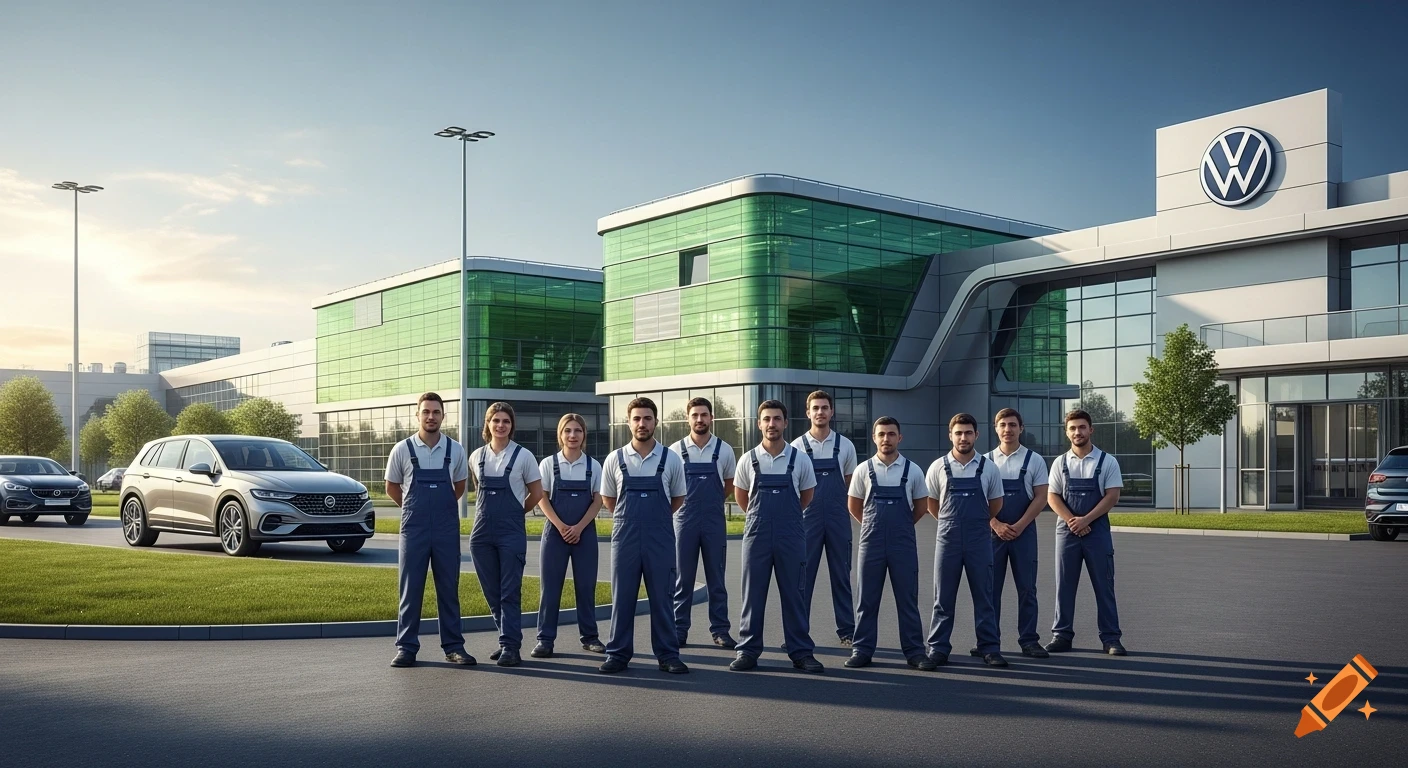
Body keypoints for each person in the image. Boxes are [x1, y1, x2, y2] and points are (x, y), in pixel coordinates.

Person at [730, 400, 825, 673]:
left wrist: (786, 519)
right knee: (752, 595)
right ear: (759, 424)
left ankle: (801, 652)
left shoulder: (800, 459)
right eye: (767, 419)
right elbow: (741, 498)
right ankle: (747, 651)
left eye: (777, 419)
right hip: (757, 535)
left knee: (795, 594)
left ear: (785, 423)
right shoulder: (748, 459)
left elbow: (806, 496)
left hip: (791, 535)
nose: (772, 424)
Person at [598, 397, 690, 675]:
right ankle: (617, 654)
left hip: (660, 537)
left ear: (656, 422)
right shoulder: (615, 458)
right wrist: (631, 519)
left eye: (647, 418)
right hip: (624, 536)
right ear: (629, 422)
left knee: (662, 598)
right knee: (623, 597)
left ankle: (668, 654)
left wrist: (655, 519)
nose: (642, 423)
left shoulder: (670, 458)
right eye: (636, 418)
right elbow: (608, 499)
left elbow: (678, 497)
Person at [386, 392, 475, 668]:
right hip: (414, 529)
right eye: (426, 412)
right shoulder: (402, 449)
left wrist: (439, 509)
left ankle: (454, 647)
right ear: (418, 415)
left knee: (449, 588)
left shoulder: (455, 450)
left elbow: (459, 487)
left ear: (442, 416)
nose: (431, 417)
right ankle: (406, 648)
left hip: (446, 529)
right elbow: (392, 487)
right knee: (410, 589)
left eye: (436, 412)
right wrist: (415, 510)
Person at [845, 417, 934, 671]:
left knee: (907, 599)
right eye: (881, 434)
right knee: (867, 600)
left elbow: (921, 507)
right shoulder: (864, 470)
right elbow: (854, 505)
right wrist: (873, 526)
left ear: (899, 438)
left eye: (891, 434)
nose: (886, 439)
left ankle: (915, 652)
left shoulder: (913, 470)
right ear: (874, 438)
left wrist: (899, 528)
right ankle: (862, 650)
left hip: (902, 545)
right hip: (870, 544)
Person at [925, 413, 1008, 668]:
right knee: (943, 597)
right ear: (950, 435)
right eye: (958, 433)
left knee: (984, 595)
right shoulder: (937, 466)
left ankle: (989, 648)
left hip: (979, 540)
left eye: (968, 432)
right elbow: (930, 503)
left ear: (976, 435)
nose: (963, 437)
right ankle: (938, 648)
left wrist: (975, 523)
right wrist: (951, 523)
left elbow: (996, 503)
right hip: (947, 539)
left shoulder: (988, 467)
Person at [467, 401, 544, 668]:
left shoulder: (524, 456)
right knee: (491, 591)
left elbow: (536, 494)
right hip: (481, 533)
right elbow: (478, 490)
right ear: (487, 424)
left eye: (506, 421)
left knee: (509, 590)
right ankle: (505, 638)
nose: (501, 425)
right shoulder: (476, 456)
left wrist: (515, 513)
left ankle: (511, 646)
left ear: (512, 426)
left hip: (511, 531)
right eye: (496, 420)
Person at [1045, 409, 1127, 656]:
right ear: (1066, 432)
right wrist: (1072, 520)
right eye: (1072, 428)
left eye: (1082, 427)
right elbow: (1052, 496)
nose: (1077, 432)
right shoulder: (1060, 462)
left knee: (1104, 585)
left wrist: (1086, 519)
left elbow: (1112, 496)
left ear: (1091, 430)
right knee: (1064, 585)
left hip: (1097, 530)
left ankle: (1111, 638)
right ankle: (1061, 635)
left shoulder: (1107, 461)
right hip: (1067, 530)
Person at [976, 408, 1051, 660]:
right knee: (989, 589)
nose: (1007, 429)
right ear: (996, 429)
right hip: (991, 533)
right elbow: (980, 500)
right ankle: (988, 641)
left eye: (1012, 424)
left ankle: (1029, 640)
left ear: (1021, 428)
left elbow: (1041, 497)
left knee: (1027, 588)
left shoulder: (1035, 460)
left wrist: (1020, 525)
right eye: (1003, 425)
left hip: (1024, 531)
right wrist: (995, 523)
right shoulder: (984, 461)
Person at [532, 413, 605, 658]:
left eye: (578, 431)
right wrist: (562, 526)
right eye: (568, 431)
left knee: (586, 587)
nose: (573, 436)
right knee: (550, 588)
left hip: (584, 533)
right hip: (555, 533)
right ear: (560, 434)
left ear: (584, 435)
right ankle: (545, 640)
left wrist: (579, 527)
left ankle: (590, 637)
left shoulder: (593, 465)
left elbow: (598, 500)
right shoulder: (548, 464)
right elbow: (542, 498)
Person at [671, 397, 739, 650]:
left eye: (704, 415)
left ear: (711, 418)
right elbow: (670, 486)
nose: (699, 420)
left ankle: (720, 630)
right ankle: (679, 630)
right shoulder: (675, 451)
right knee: (682, 580)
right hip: (684, 522)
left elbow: (730, 484)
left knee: (717, 580)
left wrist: (712, 502)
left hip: (713, 522)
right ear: (688, 419)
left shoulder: (725, 450)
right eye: (695, 415)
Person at [792, 390, 858, 648]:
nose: (820, 412)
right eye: (815, 408)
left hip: (838, 519)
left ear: (832, 412)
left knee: (841, 576)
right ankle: (798, 633)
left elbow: (851, 487)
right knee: (802, 578)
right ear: (808, 413)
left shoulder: (846, 446)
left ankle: (847, 630)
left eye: (824, 408)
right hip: (806, 521)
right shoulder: (796, 447)